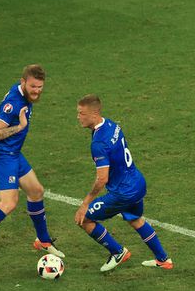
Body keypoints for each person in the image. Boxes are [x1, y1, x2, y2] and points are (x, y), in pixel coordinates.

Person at [0, 65, 63, 271]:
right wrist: (20, 126)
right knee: (8, 203)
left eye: (40, 87)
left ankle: (43, 241)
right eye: (33, 86)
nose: (37, 91)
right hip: (3, 156)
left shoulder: (23, 93)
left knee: (36, 191)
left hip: (14, 154)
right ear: (23, 82)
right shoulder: (13, 104)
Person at [74, 94, 173, 271]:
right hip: (137, 182)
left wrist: (85, 202)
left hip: (123, 192)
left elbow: (102, 179)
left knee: (84, 219)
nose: (78, 117)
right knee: (135, 219)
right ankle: (163, 259)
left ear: (94, 114)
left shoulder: (99, 142)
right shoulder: (112, 125)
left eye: (82, 113)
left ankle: (118, 252)